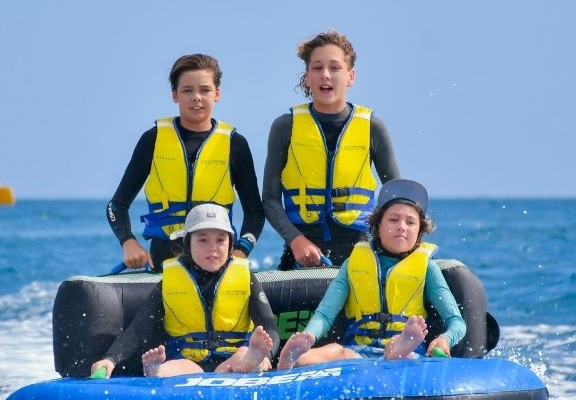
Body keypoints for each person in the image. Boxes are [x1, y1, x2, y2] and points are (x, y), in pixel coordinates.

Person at [276, 179, 466, 369]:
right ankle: (294, 358)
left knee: (396, 345)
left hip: (409, 351)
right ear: (378, 225)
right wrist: (308, 336)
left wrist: (444, 340)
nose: (402, 226)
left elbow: (456, 322)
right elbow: (324, 315)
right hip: (358, 351)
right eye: (393, 219)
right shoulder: (352, 265)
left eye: (410, 222)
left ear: (419, 231)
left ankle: (401, 346)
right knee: (334, 350)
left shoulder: (428, 269)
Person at [106, 54, 264, 272]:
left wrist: (240, 251)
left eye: (205, 90)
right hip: (164, 263)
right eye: (187, 90)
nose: (196, 97)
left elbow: (255, 212)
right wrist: (128, 241)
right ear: (175, 95)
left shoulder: (235, 144)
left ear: (217, 94)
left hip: (218, 266)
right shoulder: (153, 139)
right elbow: (116, 206)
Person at [262, 30, 400, 270]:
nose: (325, 75)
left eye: (335, 68)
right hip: (301, 254)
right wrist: (295, 240)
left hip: (360, 253)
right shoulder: (285, 126)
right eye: (317, 68)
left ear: (350, 76)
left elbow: (397, 197)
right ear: (307, 77)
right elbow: (270, 199)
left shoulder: (372, 127)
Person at [91, 204, 279, 378]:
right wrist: (110, 359)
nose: (213, 248)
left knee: (243, 354)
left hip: (232, 358)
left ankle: (253, 360)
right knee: (176, 367)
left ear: (230, 244)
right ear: (188, 243)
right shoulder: (170, 282)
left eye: (220, 240)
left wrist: (266, 356)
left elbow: (269, 327)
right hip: (189, 361)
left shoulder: (245, 277)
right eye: (203, 240)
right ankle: (156, 370)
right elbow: (139, 329)